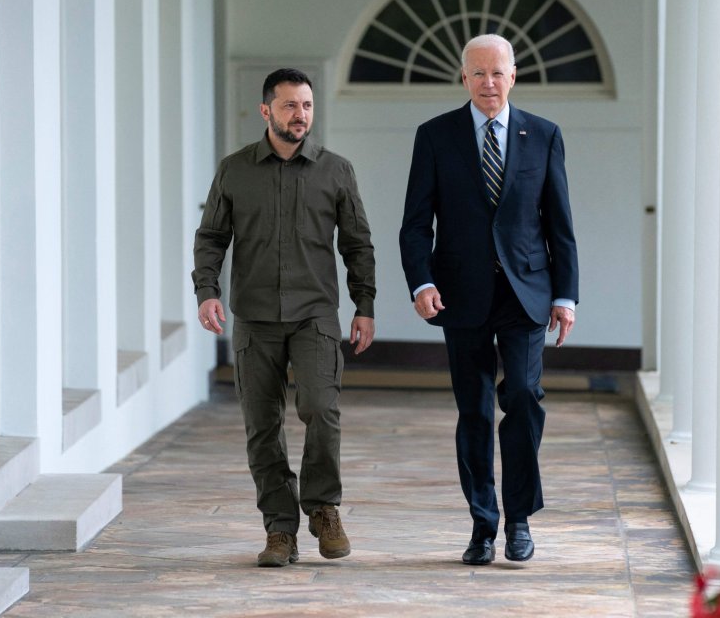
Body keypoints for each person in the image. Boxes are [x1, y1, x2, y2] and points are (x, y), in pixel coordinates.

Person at [399, 33, 579, 565]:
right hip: (461, 294)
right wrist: (422, 281)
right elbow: (415, 223)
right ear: (463, 78)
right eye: (477, 73)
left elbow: (560, 225)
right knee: (473, 411)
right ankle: (483, 524)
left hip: (527, 292)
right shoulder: (435, 136)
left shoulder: (543, 135)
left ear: (514, 76)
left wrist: (565, 295)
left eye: (497, 72)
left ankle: (519, 519)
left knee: (523, 399)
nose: (488, 82)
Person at [192, 67, 376, 568]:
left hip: (315, 314)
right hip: (253, 316)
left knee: (321, 407)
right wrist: (206, 292)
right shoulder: (234, 170)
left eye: (308, 106)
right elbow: (211, 237)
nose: (301, 115)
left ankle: (322, 508)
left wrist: (365, 306)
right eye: (291, 105)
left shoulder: (335, 170)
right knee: (261, 425)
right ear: (266, 110)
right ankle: (279, 529)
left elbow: (357, 243)